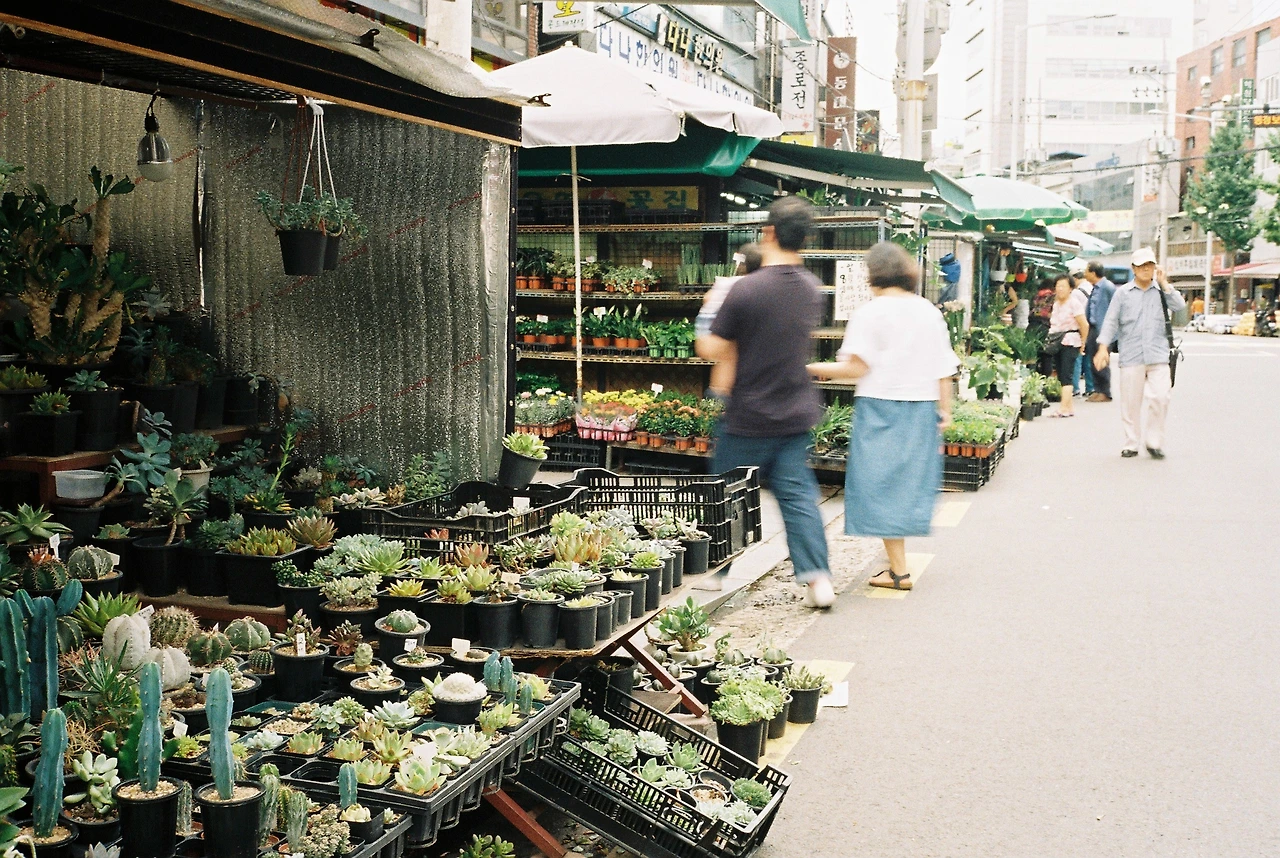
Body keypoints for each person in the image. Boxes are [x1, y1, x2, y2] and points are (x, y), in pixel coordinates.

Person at [696, 198, 833, 607]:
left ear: (768, 232)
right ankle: (818, 580)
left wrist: (708, 311)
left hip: (748, 414)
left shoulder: (745, 289)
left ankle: (715, 573)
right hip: (794, 412)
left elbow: (710, 348)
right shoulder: (811, 290)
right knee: (798, 498)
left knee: (724, 493)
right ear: (804, 238)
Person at [808, 243, 958, 591]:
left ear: (873, 275)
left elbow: (856, 368)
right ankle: (896, 564)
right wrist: (945, 410)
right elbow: (944, 369)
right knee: (906, 484)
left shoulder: (870, 312)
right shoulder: (928, 311)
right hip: (921, 406)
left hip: (880, 406)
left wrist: (809, 368)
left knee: (879, 484)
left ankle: (900, 571)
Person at [1094, 247, 1185, 458]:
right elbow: (1110, 322)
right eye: (1142, 266)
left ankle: (1153, 441)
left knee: (1161, 397)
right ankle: (1131, 442)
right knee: (1130, 403)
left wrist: (1164, 283)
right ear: (1134, 269)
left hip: (1158, 354)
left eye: (1150, 265)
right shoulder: (1122, 293)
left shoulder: (1162, 291)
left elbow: (1180, 307)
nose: (1147, 269)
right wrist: (1102, 348)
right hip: (1132, 355)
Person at [696, 243, 761, 397]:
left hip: (727, 386)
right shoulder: (762, 292)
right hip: (754, 387)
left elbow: (705, 347)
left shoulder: (728, 287)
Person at [1047, 273, 1089, 417]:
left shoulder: (1074, 303)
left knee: (1066, 375)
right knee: (1061, 374)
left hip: (1070, 342)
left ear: (1071, 288)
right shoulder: (1056, 303)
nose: (1060, 289)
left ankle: (1063, 408)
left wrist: (1083, 342)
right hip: (1057, 342)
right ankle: (1069, 407)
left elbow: (1084, 324)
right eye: (1058, 286)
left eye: (1063, 286)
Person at [1081, 261, 1116, 402]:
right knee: (1092, 360)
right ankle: (1097, 389)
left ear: (1093, 272)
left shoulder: (1107, 287)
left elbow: (1116, 308)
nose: (1084, 274)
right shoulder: (1094, 288)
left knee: (1102, 361)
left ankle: (1105, 392)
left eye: (1087, 271)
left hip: (1104, 330)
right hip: (1093, 328)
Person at [1069, 264, 1093, 396]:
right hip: (1092, 326)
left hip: (1080, 326)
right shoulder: (1092, 288)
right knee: (1088, 358)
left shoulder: (1076, 293)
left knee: (1077, 357)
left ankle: (1074, 387)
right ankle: (1090, 387)